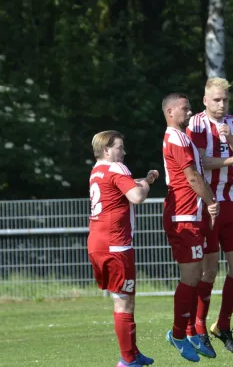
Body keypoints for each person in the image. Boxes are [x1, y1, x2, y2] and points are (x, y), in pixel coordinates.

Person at [185, 78, 233, 356]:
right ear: (205, 100)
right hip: (207, 204)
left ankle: (222, 324)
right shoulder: (197, 124)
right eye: (216, 99)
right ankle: (199, 325)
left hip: (229, 204)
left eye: (225, 99)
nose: (221, 104)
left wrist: (232, 143)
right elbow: (201, 161)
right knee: (209, 270)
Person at [87, 130, 160, 367]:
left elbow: (121, 189)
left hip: (98, 243)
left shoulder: (97, 170)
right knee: (124, 303)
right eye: (119, 147)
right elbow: (136, 197)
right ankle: (127, 360)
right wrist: (146, 185)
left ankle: (133, 352)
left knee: (124, 299)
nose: (124, 152)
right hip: (116, 245)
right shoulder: (118, 168)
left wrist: (144, 181)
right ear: (107, 150)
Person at [161, 93, 220, 362]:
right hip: (182, 216)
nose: (190, 111)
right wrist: (211, 201)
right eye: (185, 108)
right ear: (170, 112)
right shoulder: (175, 138)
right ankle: (178, 333)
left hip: (192, 214)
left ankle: (189, 331)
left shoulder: (184, 138)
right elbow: (192, 176)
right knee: (190, 278)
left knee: (200, 274)